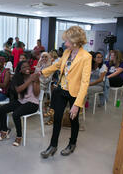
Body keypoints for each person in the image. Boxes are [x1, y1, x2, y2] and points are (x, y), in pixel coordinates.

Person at [40, 26, 92, 158]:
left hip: (75, 93)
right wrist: (42, 72)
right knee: (57, 118)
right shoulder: (67, 52)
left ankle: (72, 143)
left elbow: (85, 82)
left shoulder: (86, 57)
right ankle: (53, 146)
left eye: (67, 40)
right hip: (62, 90)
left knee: (73, 119)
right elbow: (58, 65)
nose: (65, 43)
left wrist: (77, 105)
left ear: (74, 41)